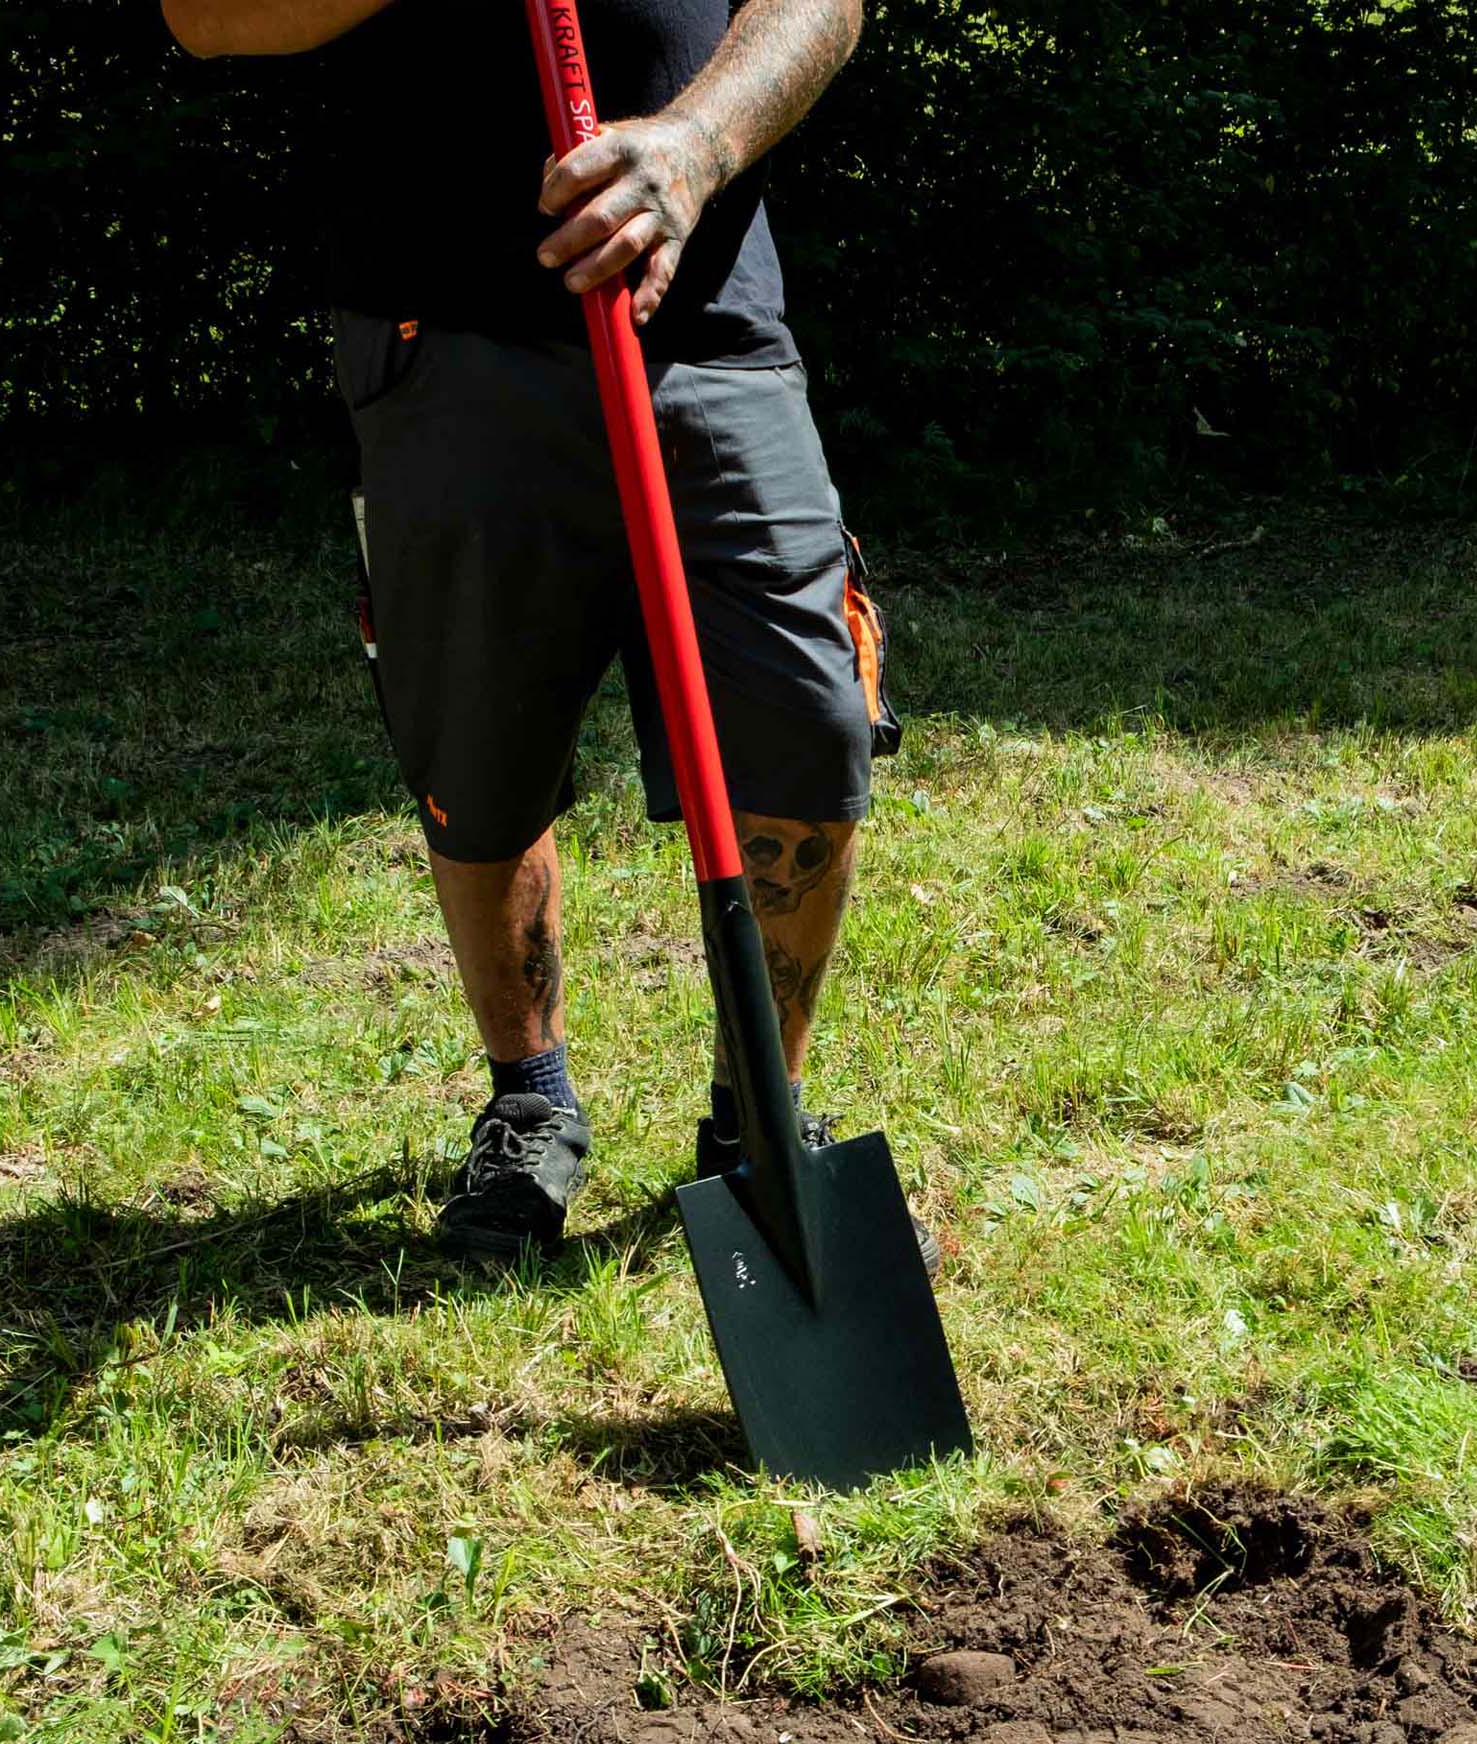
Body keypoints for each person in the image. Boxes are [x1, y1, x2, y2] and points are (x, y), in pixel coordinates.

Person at [160, 0, 929, 1267]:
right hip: (440, 324)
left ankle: (757, 1125)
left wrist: (693, 144)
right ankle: (530, 1104)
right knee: (479, 745)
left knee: (803, 720)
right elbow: (206, 17)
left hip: (710, 315)